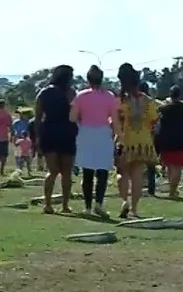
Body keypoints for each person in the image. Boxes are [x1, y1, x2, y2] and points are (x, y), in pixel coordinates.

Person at [71, 64, 120, 218]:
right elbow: (115, 120)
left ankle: (87, 206)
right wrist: (120, 136)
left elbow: (72, 117)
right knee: (102, 170)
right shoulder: (110, 96)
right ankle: (99, 203)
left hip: (85, 133)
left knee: (87, 171)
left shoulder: (81, 95)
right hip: (103, 133)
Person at [115, 63, 158, 219]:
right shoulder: (147, 100)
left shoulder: (120, 100)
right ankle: (134, 209)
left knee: (122, 172)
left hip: (125, 140)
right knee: (138, 175)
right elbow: (153, 121)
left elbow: (114, 121)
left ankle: (124, 201)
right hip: (143, 141)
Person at [35, 65, 78, 214]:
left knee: (52, 171)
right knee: (67, 172)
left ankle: (47, 204)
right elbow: (76, 114)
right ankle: (65, 205)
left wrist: (38, 138)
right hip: (68, 133)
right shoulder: (71, 93)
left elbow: (38, 118)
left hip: (49, 133)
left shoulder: (44, 92)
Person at [154, 85, 183, 199]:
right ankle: (173, 190)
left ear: (170, 95)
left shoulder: (164, 109)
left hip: (166, 141)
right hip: (182, 141)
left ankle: (172, 189)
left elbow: (157, 124)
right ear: (180, 95)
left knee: (169, 166)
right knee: (177, 167)